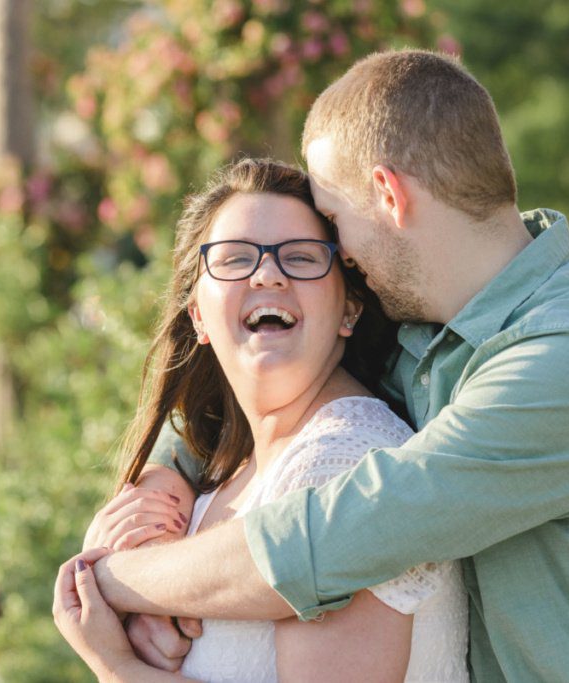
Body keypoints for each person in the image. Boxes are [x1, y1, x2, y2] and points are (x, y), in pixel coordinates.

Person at [70, 49, 569, 681]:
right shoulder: (429, 330)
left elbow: (334, 536)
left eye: (331, 220)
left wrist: (116, 579)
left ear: (388, 195)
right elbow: (241, 393)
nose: (339, 253)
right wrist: (159, 488)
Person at [54, 158, 469, 681]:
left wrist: (114, 665)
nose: (268, 273)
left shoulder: (343, 465)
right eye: (233, 259)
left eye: (300, 257)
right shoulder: (223, 476)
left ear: (350, 311)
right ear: (198, 317)